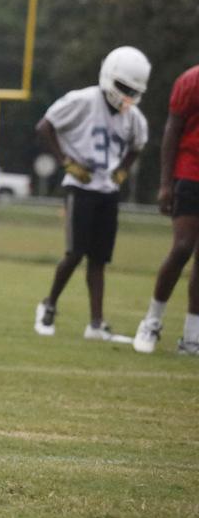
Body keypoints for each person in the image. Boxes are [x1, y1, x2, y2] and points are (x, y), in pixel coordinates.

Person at [33, 46, 150, 341]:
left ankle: (96, 324)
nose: (126, 95)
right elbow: (45, 126)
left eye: (132, 91)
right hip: (80, 186)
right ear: (109, 76)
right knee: (75, 253)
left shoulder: (133, 117)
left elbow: (138, 144)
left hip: (107, 189)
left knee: (99, 259)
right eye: (123, 87)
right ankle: (48, 306)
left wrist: (123, 170)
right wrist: (65, 162)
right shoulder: (83, 101)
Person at [132, 64, 199, 355]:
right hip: (190, 171)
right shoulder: (192, 80)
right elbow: (173, 129)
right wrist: (165, 183)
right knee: (183, 247)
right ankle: (152, 321)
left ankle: (192, 337)